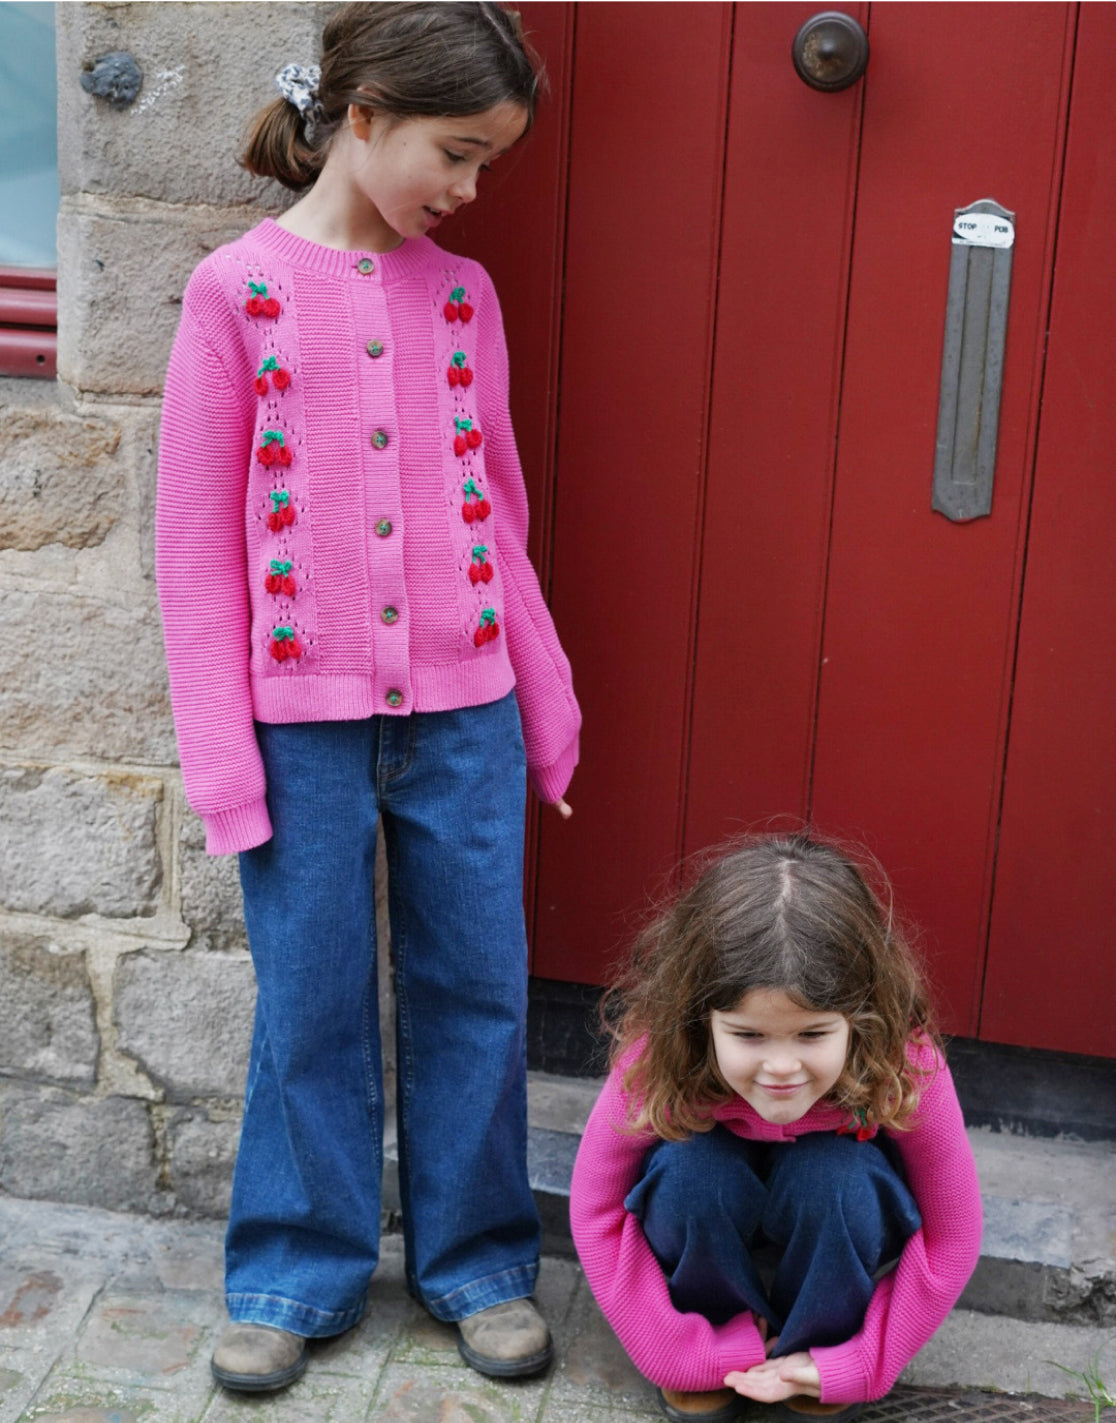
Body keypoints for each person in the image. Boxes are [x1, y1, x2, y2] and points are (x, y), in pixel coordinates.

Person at [155, 2, 579, 1394]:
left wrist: (547, 699)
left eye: (489, 167)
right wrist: (224, 754)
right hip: (300, 734)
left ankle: (478, 1261)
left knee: (475, 985)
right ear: (369, 111)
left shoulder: (464, 297)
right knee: (313, 996)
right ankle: (294, 1262)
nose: (467, 192)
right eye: (458, 153)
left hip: (466, 716)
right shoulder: (238, 290)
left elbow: (496, 513)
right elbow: (195, 546)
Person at [570, 835, 982, 1423]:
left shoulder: (903, 1063)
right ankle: (715, 1334)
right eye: (749, 1035)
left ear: (861, 1016)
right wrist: (674, 1353)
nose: (781, 1067)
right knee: (692, 1173)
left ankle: (813, 1346)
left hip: (833, 1211)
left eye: (813, 1035)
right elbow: (595, 1211)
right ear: (699, 1016)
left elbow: (954, 1234)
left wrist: (860, 1361)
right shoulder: (656, 1054)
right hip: (708, 1209)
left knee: (834, 1178)